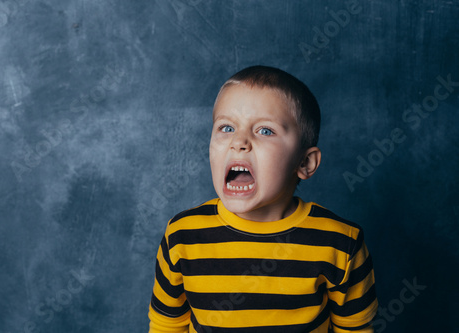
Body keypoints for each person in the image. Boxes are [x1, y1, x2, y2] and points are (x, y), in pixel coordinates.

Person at [148, 65, 378, 332]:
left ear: (305, 162)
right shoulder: (182, 236)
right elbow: (167, 325)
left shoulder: (341, 244)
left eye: (265, 131)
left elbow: (355, 329)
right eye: (226, 127)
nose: (239, 141)